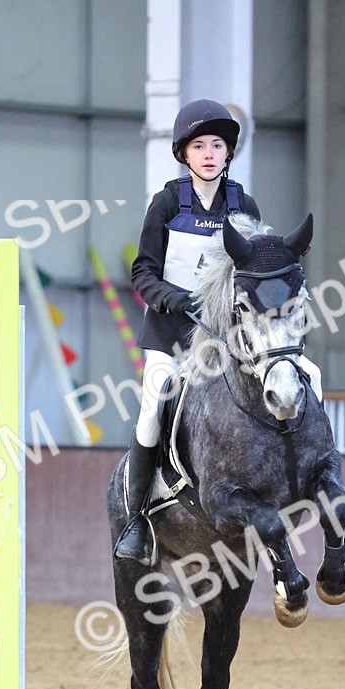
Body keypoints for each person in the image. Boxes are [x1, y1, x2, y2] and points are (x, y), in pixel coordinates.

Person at [115, 99, 261, 563]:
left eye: (217, 145)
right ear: (184, 153)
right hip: (171, 336)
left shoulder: (244, 205)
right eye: (199, 146)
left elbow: (255, 268)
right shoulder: (165, 203)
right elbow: (142, 270)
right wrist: (169, 297)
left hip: (226, 341)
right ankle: (137, 519)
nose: (209, 154)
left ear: (228, 152)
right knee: (152, 409)